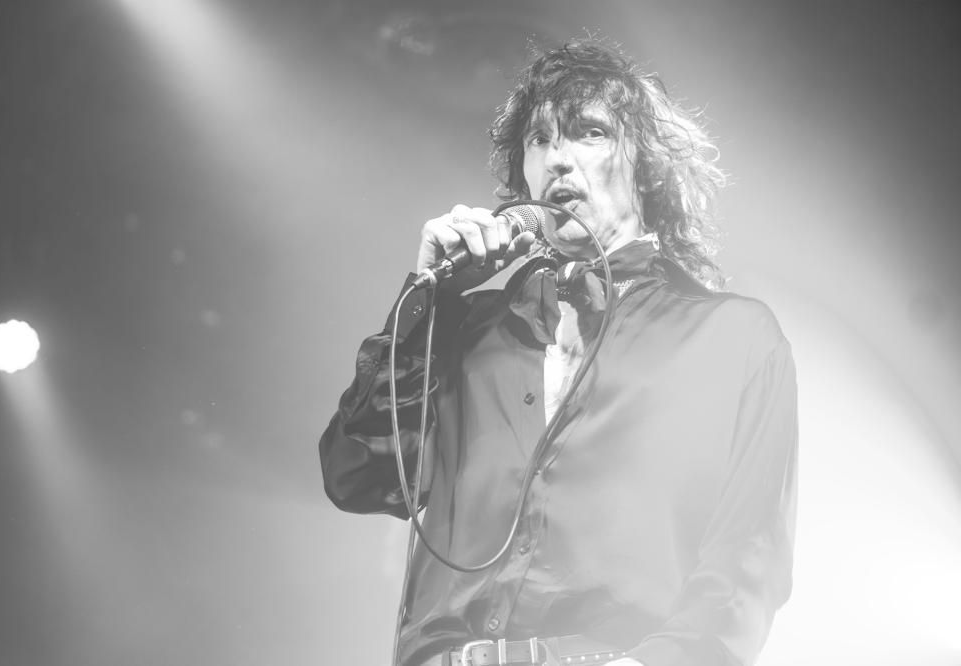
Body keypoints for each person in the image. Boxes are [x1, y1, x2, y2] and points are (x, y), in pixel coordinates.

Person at [319, 39, 798, 666]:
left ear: (647, 166)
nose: (558, 159)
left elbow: (746, 562)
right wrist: (424, 308)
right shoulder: (468, 328)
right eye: (539, 139)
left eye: (589, 133)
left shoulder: (731, 337)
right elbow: (360, 478)